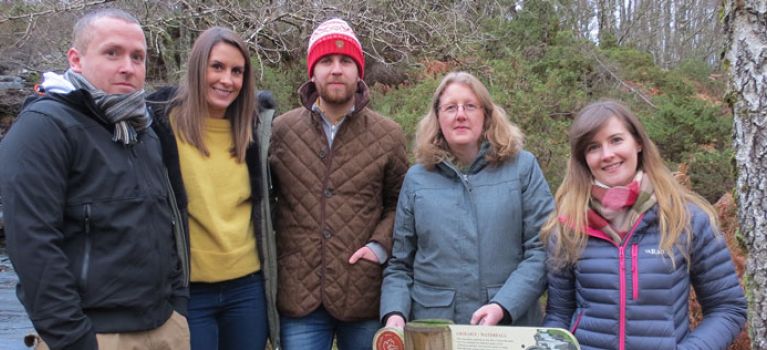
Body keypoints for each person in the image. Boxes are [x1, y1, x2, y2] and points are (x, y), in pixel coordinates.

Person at [0, 9, 189, 350]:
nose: (127, 67)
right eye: (112, 52)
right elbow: (32, 245)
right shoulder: (43, 127)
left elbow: (170, 218)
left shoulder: (144, 129)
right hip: (94, 335)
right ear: (76, 58)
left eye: (138, 57)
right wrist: (74, 339)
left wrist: (179, 304)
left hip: (165, 328)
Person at [541, 100, 747, 349]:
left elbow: (728, 307)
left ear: (638, 143)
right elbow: (559, 316)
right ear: (583, 159)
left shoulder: (686, 218)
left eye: (616, 140)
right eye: (593, 147)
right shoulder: (568, 226)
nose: (607, 155)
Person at [268, 18, 408, 350]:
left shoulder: (388, 135)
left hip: (362, 293)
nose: (336, 69)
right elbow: (263, 202)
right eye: (326, 61)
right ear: (312, 72)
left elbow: (400, 203)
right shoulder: (279, 131)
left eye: (346, 61)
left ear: (358, 72)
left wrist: (379, 246)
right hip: (299, 294)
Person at [380, 71, 554, 328]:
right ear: (438, 118)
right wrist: (395, 313)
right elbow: (400, 264)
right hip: (435, 330)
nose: (460, 114)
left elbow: (542, 250)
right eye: (450, 107)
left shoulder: (523, 168)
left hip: (507, 329)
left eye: (470, 106)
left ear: (486, 114)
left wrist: (503, 305)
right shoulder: (417, 178)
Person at [146, 27, 280, 350]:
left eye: (237, 71)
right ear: (197, 67)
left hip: (247, 289)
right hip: (191, 290)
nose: (227, 80)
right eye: (217, 67)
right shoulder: (160, 125)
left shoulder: (256, 129)